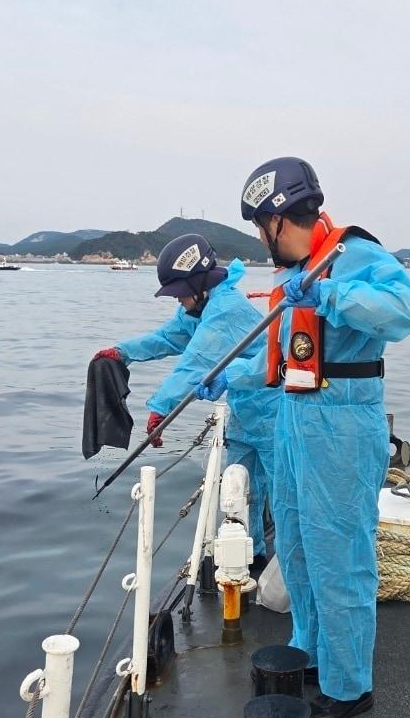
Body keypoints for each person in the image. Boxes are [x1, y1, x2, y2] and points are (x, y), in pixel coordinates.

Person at [197, 156, 410, 718]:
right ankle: (311, 652)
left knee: (341, 554)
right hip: (295, 418)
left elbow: (405, 311)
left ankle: (350, 685)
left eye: (259, 226)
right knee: (295, 540)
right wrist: (233, 376)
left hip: (344, 422)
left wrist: (329, 296)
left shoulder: (352, 257)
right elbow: (279, 359)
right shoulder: (292, 275)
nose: (259, 237)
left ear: (278, 219)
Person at [93, 234, 277, 560]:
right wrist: (122, 353)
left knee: (282, 492)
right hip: (245, 410)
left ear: (198, 284)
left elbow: (195, 363)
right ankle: (254, 557)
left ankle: (289, 573)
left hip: (275, 410)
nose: (178, 301)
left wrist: (160, 411)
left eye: (179, 293)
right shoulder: (199, 308)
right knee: (241, 489)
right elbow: (165, 338)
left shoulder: (225, 310)